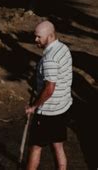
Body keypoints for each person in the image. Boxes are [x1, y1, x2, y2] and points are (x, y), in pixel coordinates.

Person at [25, 20, 73, 170]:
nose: (35, 40)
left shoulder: (49, 59)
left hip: (48, 111)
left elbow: (49, 89)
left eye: (39, 37)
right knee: (58, 145)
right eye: (35, 36)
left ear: (50, 35)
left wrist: (34, 107)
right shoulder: (63, 48)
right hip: (63, 106)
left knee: (36, 148)